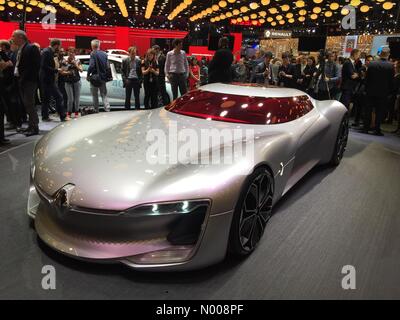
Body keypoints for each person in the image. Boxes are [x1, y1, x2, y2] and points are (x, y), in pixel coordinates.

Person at [11, 30, 41, 137]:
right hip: (21, 80)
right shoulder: (20, 48)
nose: (12, 38)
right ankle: (31, 126)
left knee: (29, 104)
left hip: (29, 81)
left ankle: (35, 127)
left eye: (13, 36)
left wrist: (24, 78)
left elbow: (36, 65)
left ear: (20, 37)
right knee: (27, 105)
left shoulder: (31, 48)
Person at [363, 47, 394, 136]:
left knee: (368, 110)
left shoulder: (372, 64)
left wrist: (366, 89)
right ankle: (376, 129)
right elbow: (391, 81)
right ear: (388, 55)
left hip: (370, 91)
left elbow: (367, 78)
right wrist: (390, 92)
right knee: (379, 112)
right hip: (383, 93)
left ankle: (366, 128)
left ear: (380, 54)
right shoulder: (390, 66)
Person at [39, 39, 66, 123]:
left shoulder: (48, 51)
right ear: (56, 45)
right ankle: (63, 116)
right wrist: (56, 70)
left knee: (46, 99)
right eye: (59, 46)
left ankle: (45, 116)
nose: (60, 48)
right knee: (59, 97)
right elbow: (43, 66)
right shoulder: (47, 52)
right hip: (47, 79)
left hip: (46, 78)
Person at [87, 39, 111, 112]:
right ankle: (107, 108)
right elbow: (107, 67)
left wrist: (88, 74)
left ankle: (96, 110)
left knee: (95, 95)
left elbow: (91, 65)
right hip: (103, 78)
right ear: (99, 45)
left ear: (92, 46)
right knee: (104, 94)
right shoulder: (104, 54)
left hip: (94, 78)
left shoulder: (93, 53)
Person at [352, 55, 373, 127]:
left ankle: (364, 123)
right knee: (359, 106)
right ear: (365, 61)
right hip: (360, 89)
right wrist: (362, 77)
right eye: (368, 60)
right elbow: (356, 78)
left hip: (368, 90)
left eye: (370, 60)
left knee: (366, 107)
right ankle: (356, 121)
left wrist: (365, 77)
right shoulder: (361, 68)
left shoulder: (373, 70)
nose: (369, 62)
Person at [64, 47, 83, 119]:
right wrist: (68, 71)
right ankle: (68, 113)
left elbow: (81, 70)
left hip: (77, 81)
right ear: (68, 53)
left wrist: (75, 64)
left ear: (75, 53)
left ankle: (76, 113)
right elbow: (62, 71)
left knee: (77, 98)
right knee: (70, 99)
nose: (71, 53)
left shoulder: (77, 60)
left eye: (72, 52)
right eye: (69, 52)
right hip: (68, 82)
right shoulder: (65, 61)